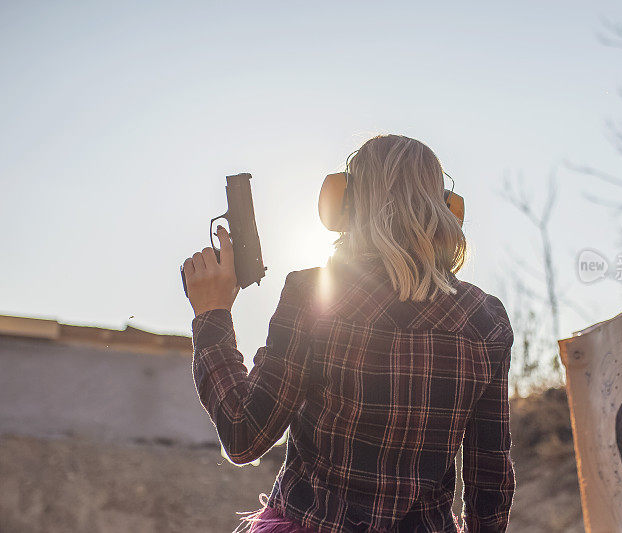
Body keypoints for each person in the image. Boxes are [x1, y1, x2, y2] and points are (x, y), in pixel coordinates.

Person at [182, 134, 515, 532]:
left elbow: (243, 435)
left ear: (344, 202)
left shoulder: (313, 294)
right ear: (447, 209)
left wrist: (212, 315)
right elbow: (490, 481)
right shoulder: (487, 320)